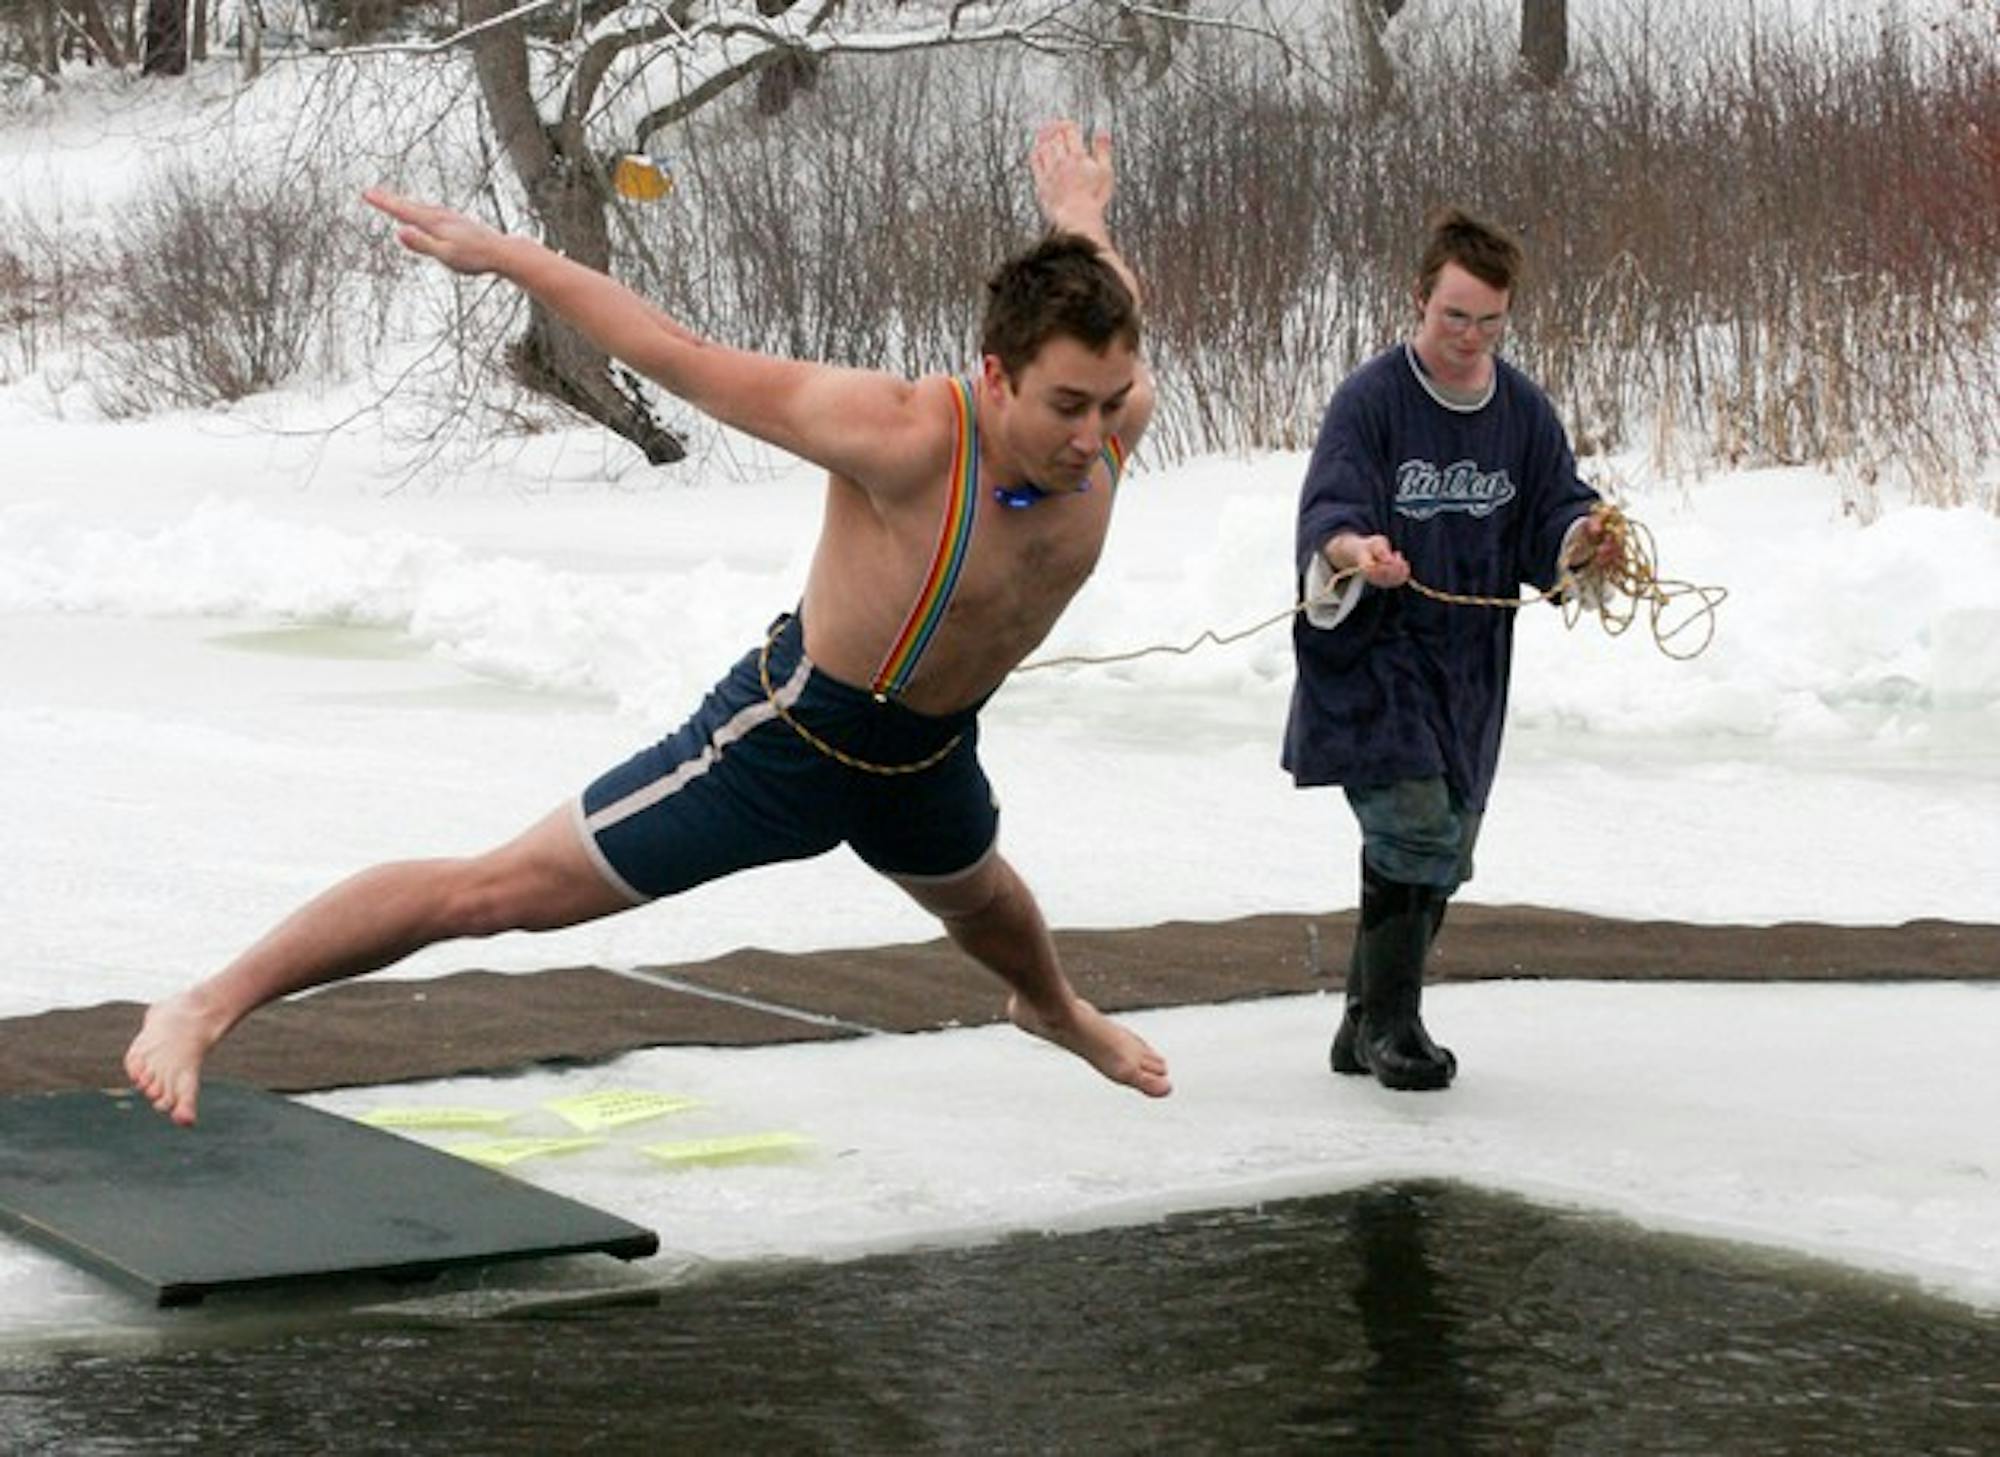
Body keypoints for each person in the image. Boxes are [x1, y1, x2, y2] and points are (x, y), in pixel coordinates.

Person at [124, 120, 1171, 1126]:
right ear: (995, 377)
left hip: (929, 752)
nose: (1091, 433)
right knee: (497, 891)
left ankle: (1047, 1007)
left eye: (1107, 400)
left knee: (983, 899)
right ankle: (207, 1002)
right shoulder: (896, 435)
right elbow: (673, 350)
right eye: (1065, 406)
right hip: (788, 740)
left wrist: (1076, 212)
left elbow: (1096, 295)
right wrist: (517, 259)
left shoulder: (1116, 408)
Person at [1284, 207, 1623, 1092]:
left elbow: (1552, 507)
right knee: (1413, 825)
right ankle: (1396, 1026)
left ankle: (1360, 1020)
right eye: (1454, 317)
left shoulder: (1520, 408)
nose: (1471, 338)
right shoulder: (1373, 399)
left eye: (1489, 321)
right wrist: (1357, 551)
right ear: (1419, 301)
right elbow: (1330, 508)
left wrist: (1583, 538)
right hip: (1379, 653)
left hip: (1472, 663)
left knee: (1451, 845)